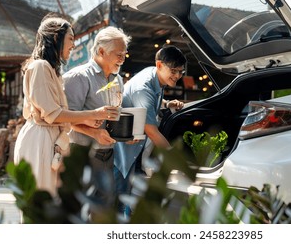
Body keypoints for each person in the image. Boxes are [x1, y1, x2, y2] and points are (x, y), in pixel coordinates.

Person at [14, 14, 118, 197]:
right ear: (56, 38)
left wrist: (90, 118)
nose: (73, 45)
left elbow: (58, 114)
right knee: (41, 203)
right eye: (71, 39)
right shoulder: (40, 67)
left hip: (49, 138)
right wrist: (93, 114)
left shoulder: (50, 70)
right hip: (39, 139)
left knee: (50, 202)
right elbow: (53, 114)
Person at [113, 45, 187, 215]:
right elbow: (152, 132)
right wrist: (176, 160)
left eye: (181, 72)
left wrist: (166, 104)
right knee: (120, 203)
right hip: (122, 154)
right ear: (160, 65)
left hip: (135, 151)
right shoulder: (143, 87)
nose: (177, 76)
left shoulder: (154, 75)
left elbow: (148, 102)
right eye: (174, 71)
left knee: (129, 202)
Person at [63, 26, 132, 206]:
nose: (122, 59)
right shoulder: (78, 77)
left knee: (102, 209)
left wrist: (125, 134)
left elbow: (114, 114)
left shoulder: (117, 80)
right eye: (119, 54)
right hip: (82, 153)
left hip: (108, 155)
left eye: (125, 54)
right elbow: (65, 119)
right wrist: (94, 133)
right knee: (81, 209)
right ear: (101, 51)